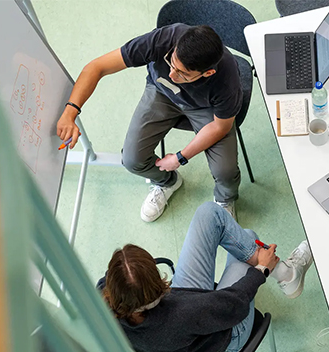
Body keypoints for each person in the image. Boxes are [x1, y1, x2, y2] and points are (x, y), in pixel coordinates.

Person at [57, 24, 245, 222]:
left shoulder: (227, 79)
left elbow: (220, 126)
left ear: (207, 73)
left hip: (205, 108)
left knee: (225, 171)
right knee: (131, 160)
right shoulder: (165, 39)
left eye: (183, 74)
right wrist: (70, 111)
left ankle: (225, 199)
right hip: (161, 93)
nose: (172, 74)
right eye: (171, 63)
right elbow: (97, 67)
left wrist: (180, 157)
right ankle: (167, 182)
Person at [102, 202, 313, 352]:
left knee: (210, 214)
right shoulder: (183, 313)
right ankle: (286, 274)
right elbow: (234, 305)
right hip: (225, 337)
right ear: (156, 282)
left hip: (177, 326)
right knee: (248, 243)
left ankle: (286, 274)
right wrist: (262, 270)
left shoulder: (100, 301)